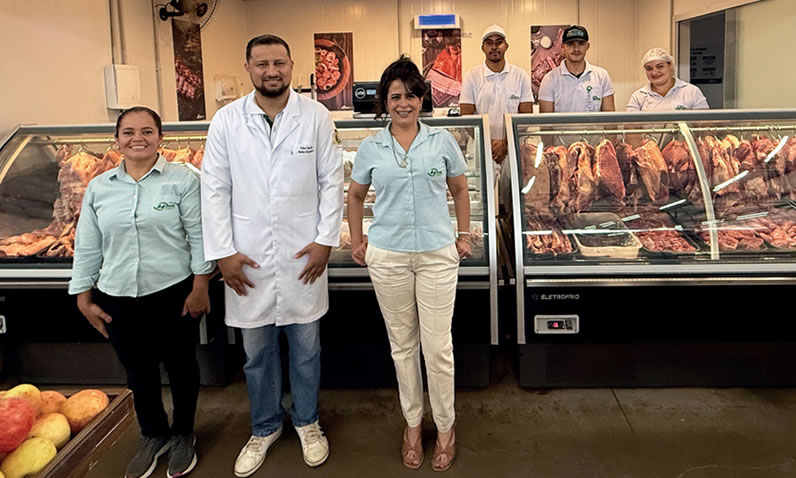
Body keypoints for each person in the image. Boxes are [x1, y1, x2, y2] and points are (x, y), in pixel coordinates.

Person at [200, 34, 343, 477]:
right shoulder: (226, 121)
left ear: (291, 65)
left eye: (279, 63)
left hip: (304, 254)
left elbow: (331, 182)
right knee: (257, 354)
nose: (271, 71)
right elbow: (214, 189)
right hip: (247, 258)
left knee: (306, 349)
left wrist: (325, 240)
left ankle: (307, 421)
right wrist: (223, 252)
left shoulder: (315, 116)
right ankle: (264, 426)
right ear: (248, 68)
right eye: (262, 64)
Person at [69, 106, 214, 478]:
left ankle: (183, 433)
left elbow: (200, 235)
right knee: (138, 371)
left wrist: (201, 286)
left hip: (173, 291)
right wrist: (83, 297)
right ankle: (153, 434)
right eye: (129, 132)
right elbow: (88, 245)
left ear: (160, 137)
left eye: (147, 131)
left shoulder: (183, 180)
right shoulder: (100, 187)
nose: (138, 138)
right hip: (116, 294)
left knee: (181, 367)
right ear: (117, 139)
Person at [347, 56, 472, 472]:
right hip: (388, 256)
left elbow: (460, 189)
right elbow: (355, 196)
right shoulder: (371, 147)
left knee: (438, 348)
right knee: (402, 347)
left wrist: (464, 235)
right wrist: (358, 241)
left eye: (412, 95)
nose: (404, 103)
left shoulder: (442, 142)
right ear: (384, 101)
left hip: (437, 254)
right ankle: (413, 425)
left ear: (422, 99)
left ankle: (446, 427)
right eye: (395, 96)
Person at [460, 24, 534, 166]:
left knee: (513, 181)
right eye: (489, 43)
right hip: (480, 148)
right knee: (481, 181)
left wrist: (505, 143)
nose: (494, 47)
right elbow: (466, 116)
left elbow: (526, 115)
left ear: (506, 46)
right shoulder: (471, 76)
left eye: (499, 42)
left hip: (513, 148)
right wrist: (489, 143)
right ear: (483, 47)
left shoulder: (520, 75)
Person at [538, 25, 615, 113]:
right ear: (563, 47)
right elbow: (546, 120)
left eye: (581, 43)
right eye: (570, 44)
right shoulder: (549, 79)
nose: (576, 49)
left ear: (587, 46)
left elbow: (609, 118)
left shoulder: (602, 76)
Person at [627, 48, 709, 111]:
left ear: (670, 66)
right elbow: (630, 126)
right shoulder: (638, 97)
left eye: (660, 66)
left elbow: (705, 124)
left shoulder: (692, 92)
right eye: (649, 68)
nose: (654, 72)